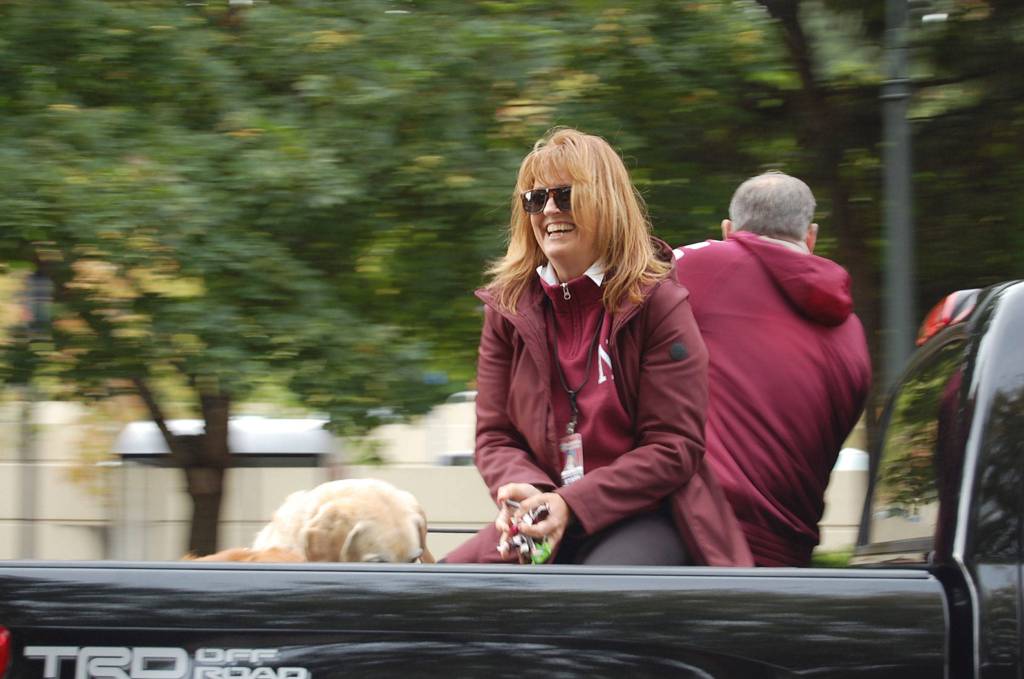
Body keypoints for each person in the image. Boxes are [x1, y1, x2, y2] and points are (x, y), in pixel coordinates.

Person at [444, 128, 752, 566]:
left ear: (605, 202)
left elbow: (674, 447)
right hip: (545, 513)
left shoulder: (658, 303)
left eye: (565, 195)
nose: (549, 210)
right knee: (440, 596)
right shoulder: (507, 307)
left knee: (589, 600)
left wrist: (574, 503)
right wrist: (531, 491)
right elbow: (495, 435)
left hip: (644, 516)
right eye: (535, 199)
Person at [673, 171, 871, 567]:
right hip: (790, 561)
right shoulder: (853, 333)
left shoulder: (706, 264)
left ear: (729, 230)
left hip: (701, 541)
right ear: (810, 236)